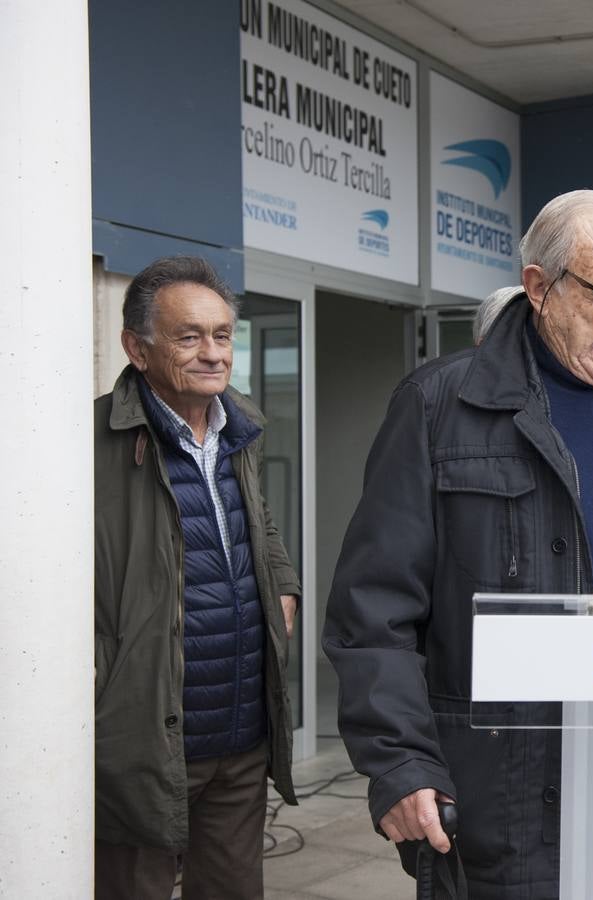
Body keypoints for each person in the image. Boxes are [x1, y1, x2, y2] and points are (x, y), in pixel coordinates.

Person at [322, 189, 593, 898]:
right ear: (539, 288)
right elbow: (371, 609)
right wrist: (399, 764)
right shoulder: (439, 406)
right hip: (502, 789)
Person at [94, 256, 300, 899]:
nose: (213, 354)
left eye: (222, 335)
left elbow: (259, 524)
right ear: (137, 347)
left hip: (240, 733)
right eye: (189, 337)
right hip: (145, 738)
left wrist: (283, 592)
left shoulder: (240, 428)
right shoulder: (90, 442)